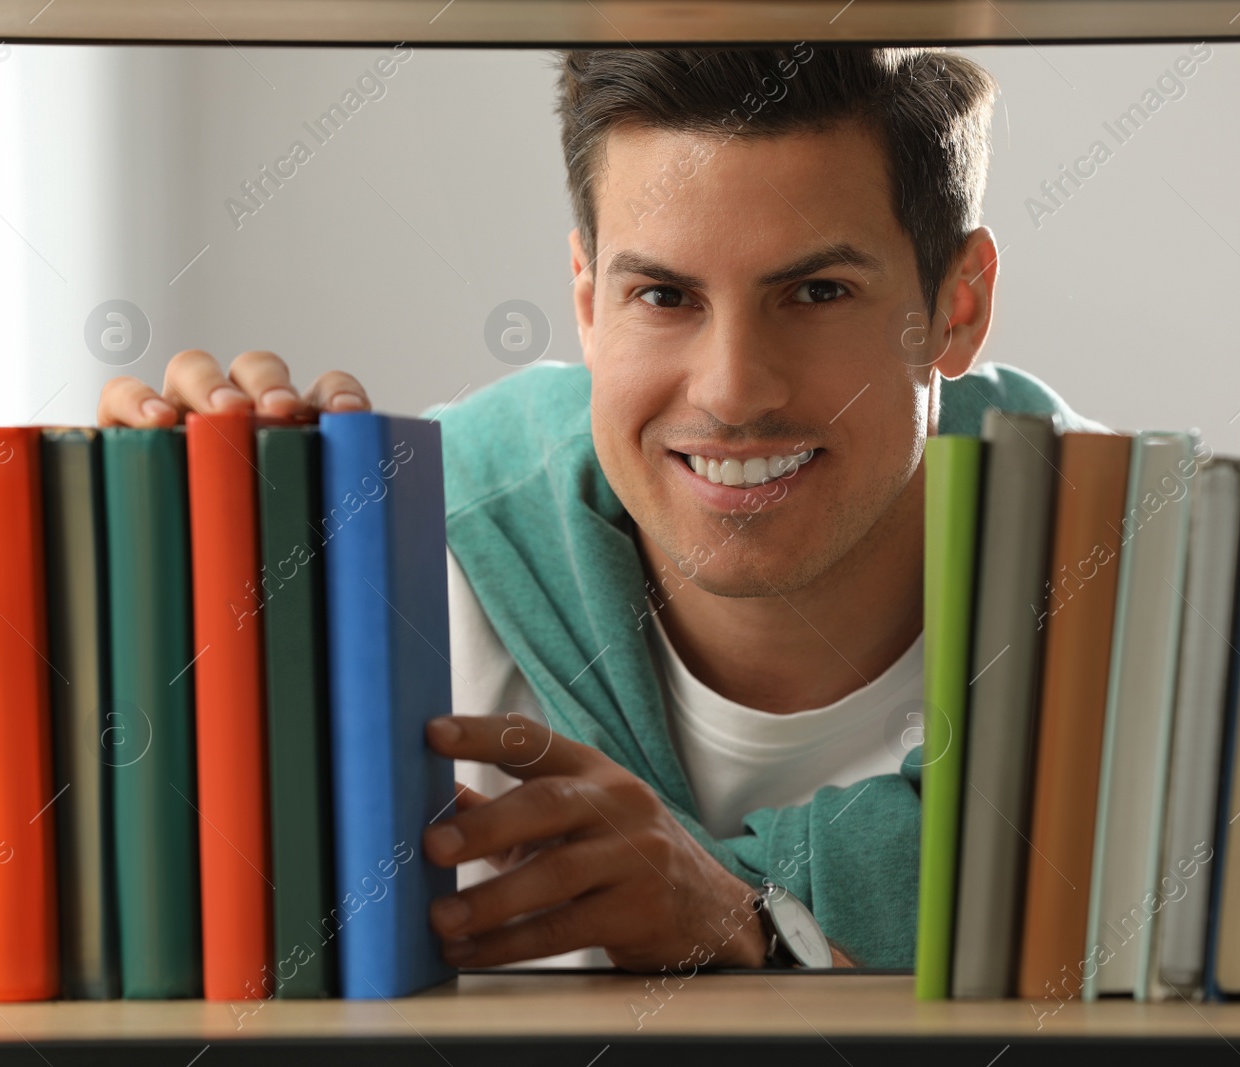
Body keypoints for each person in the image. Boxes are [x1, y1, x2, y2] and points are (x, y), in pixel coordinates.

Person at [97, 46, 1104, 975]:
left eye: (817, 292)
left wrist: (746, 930)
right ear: (587, 299)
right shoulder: (395, 556)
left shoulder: (1139, 625)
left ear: (956, 306)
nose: (733, 390)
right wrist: (141, 570)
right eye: (663, 296)